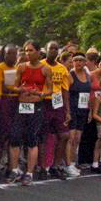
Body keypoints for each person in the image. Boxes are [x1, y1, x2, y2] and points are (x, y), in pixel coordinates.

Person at [7, 40, 52, 186]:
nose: (28, 53)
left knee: (32, 139)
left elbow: (50, 90)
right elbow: (14, 85)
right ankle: (15, 169)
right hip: (22, 105)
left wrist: (40, 94)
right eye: (26, 50)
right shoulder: (21, 67)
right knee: (14, 137)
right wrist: (21, 90)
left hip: (36, 105)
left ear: (38, 52)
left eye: (31, 50)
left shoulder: (45, 69)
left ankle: (30, 172)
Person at [40, 41, 71, 179]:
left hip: (58, 104)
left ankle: (55, 165)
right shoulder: (40, 65)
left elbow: (65, 90)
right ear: (46, 50)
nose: (53, 50)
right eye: (50, 48)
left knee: (64, 135)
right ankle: (42, 167)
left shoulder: (62, 68)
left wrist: (67, 110)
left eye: (55, 48)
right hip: (43, 102)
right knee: (43, 136)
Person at [0, 44, 18, 180]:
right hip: (3, 104)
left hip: (15, 103)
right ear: (3, 55)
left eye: (14, 54)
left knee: (12, 138)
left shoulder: (17, 68)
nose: (12, 56)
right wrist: (15, 89)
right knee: (0, 138)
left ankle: (10, 167)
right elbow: (1, 87)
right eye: (9, 53)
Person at [65, 53, 90, 177]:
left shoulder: (87, 75)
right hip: (73, 109)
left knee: (78, 139)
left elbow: (89, 94)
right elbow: (66, 94)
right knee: (71, 137)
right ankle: (67, 164)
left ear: (85, 62)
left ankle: (72, 162)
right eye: (76, 60)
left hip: (83, 110)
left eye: (81, 60)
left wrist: (90, 110)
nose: (79, 63)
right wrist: (67, 111)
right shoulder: (70, 75)